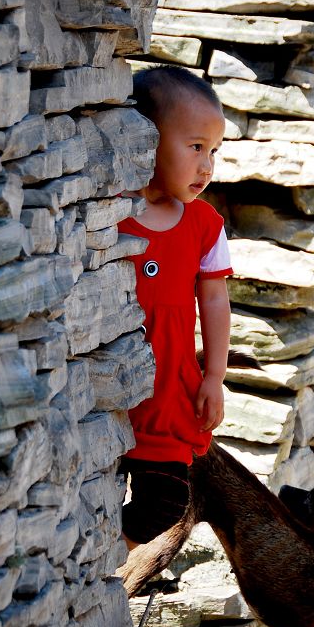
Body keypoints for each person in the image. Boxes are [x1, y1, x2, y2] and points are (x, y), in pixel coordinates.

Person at [118, 65, 232, 549]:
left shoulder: (205, 224)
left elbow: (214, 301)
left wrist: (214, 377)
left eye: (214, 152)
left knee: (165, 504)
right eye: (194, 147)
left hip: (169, 394)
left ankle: (105, 561)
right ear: (149, 139)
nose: (207, 166)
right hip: (113, 391)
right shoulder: (111, 210)